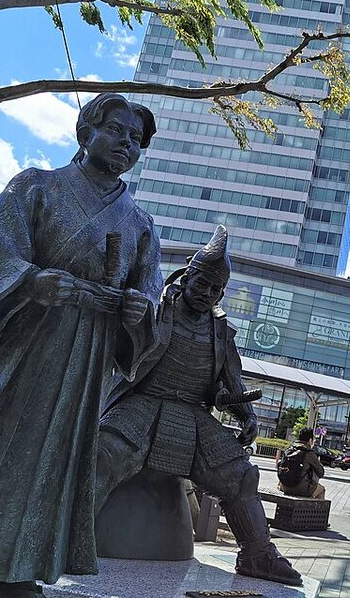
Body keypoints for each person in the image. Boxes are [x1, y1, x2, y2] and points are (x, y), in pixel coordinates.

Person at [0, 93, 162, 598]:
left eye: (135, 140)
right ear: (83, 132)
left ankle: (21, 570)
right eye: (116, 131)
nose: (125, 145)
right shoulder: (37, 187)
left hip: (86, 353)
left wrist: (141, 309)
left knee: (54, 457)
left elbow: (149, 288)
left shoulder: (139, 224)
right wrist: (31, 281)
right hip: (24, 341)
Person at [96, 225, 302, 587]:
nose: (208, 294)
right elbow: (122, 351)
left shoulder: (222, 331)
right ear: (187, 275)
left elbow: (231, 382)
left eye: (217, 289)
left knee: (242, 476)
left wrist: (246, 413)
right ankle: (66, 537)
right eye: (202, 284)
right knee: (104, 454)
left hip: (193, 415)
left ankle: (257, 554)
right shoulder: (155, 307)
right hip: (142, 404)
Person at [278, 428, 326, 500]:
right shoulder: (309, 453)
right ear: (310, 440)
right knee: (322, 490)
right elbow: (321, 472)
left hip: (284, 486)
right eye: (313, 440)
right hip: (301, 489)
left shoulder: (289, 450)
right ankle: (313, 510)